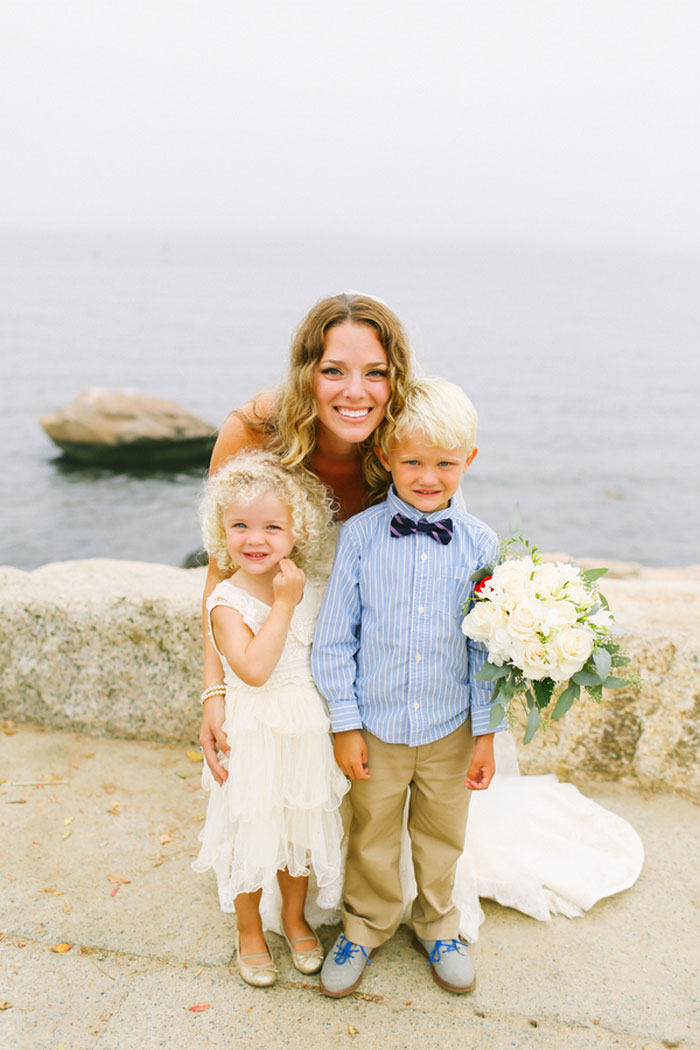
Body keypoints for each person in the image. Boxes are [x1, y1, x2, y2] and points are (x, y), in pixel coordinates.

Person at [312, 377, 501, 997]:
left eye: (445, 463)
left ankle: (439, 924)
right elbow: (336, 638)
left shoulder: (480, 543)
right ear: (386, 455)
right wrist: (345, 723)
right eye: (413, 460)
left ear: (467, 462)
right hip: (376, 724)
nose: (428, 476)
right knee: (370, 832)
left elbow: (490, 647)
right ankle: (365, 926)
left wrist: (485, 735)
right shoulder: (361, 537)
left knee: (442, 834)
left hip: (450, 727)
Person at [198, 292, 414, 786]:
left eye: (376, 373)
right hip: (284, 677)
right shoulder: (253, 430)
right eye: (334, 371)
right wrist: (215, 692)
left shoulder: (408, 444)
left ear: (395, 378)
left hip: (372, 667)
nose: (356, 392)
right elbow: (221, 572)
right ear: (306, 374)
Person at [192, 450, 349, 987]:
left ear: (296, 531)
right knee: (251, 832)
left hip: (306, 729)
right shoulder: (227, 600)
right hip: (253, 732)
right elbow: (255, 670)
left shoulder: (309, 585)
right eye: (239, 525)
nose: (254, 538)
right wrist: (283, 603)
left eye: (271, 527)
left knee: (298, 829)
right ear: (221, 529)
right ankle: (249, 929)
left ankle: (292, 917)